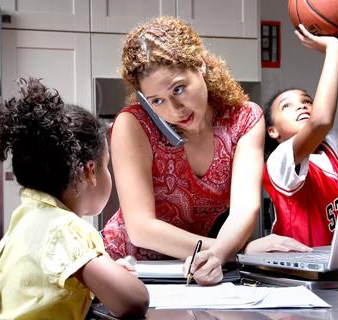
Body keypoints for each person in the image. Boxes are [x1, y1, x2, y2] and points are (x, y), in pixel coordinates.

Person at [102, 16, 309, 286]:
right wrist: (234, 251)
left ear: (200, 65)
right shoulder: (133, 125)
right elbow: (141, 229)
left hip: (200, 270)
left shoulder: (244, 120)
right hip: (129, 270)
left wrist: (221, 254)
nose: (174, 109)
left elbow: (245, 208)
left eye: (179, 88)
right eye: (157, 100)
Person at [0, 78, 149, 319]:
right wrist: (118, 279)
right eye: (106, 165)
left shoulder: (25, 218)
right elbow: (134, 300)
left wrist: (105, 274)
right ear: (89, 171)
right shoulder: (63, 228)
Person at [246, 6, 338, 251]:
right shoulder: (279, 161)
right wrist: (334, 49)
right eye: (287, 106)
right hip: (296, 267)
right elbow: (321, 121)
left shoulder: (332, 147)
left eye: (307, 101)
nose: (301, 106)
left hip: (333, 261)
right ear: (273, 131)